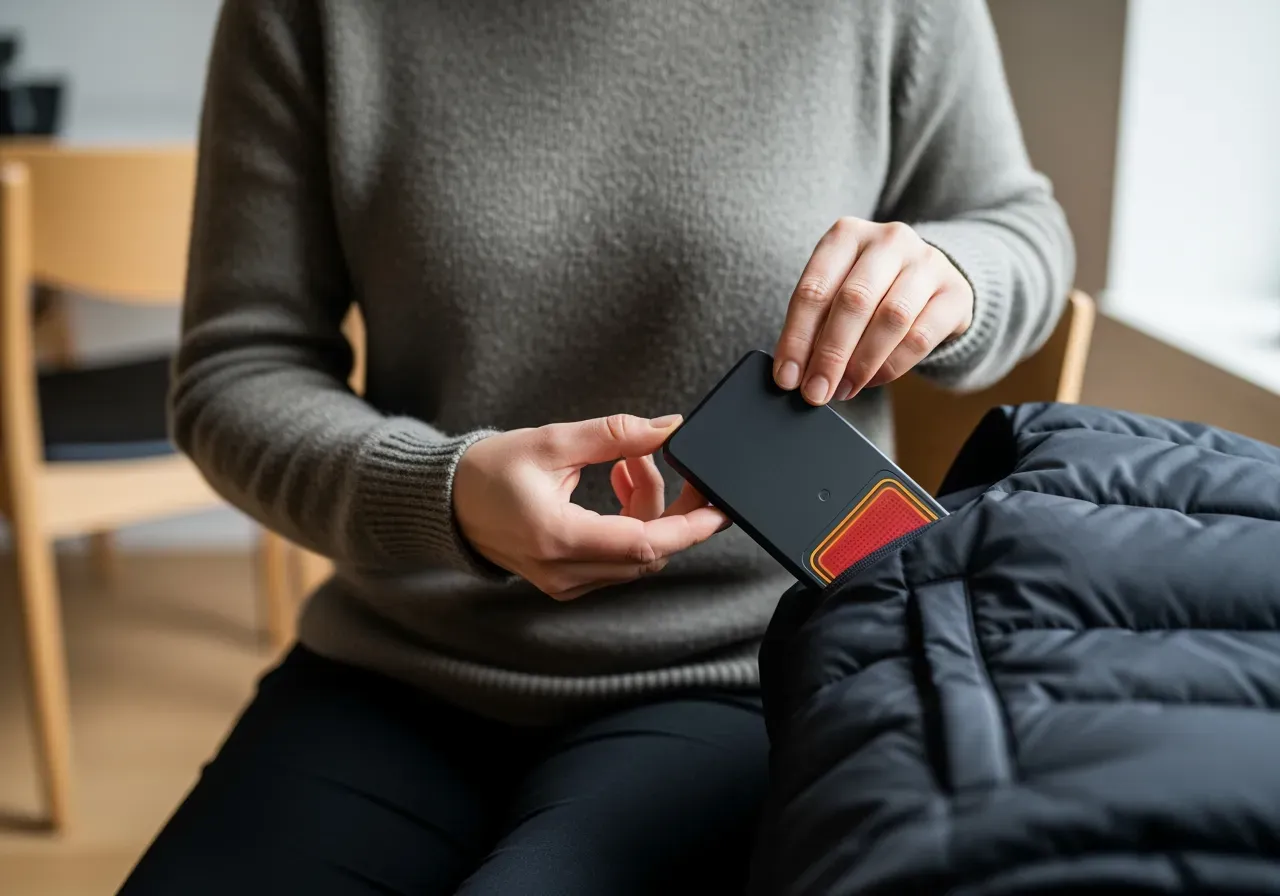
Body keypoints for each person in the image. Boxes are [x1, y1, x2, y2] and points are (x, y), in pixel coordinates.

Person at [119, 0, 1073, 893]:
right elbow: (234, 373)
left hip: (755, 670)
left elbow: (1021, 228)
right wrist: (441, 495)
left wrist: (953, 273)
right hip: (402, 658)